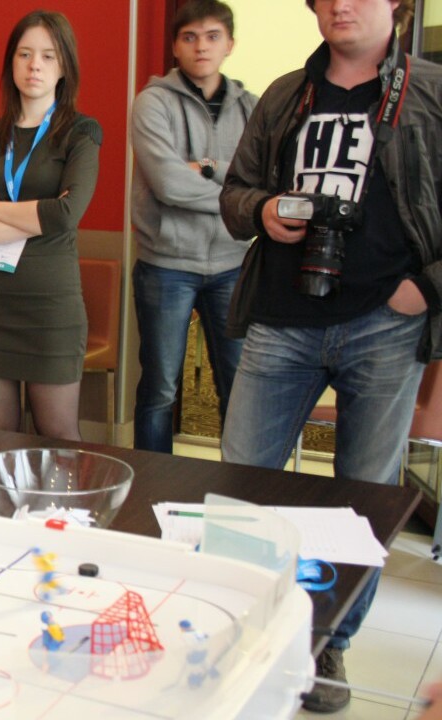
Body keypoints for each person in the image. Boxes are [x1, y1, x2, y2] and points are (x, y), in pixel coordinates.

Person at [219, 0, 435, 712]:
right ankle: (242, 620)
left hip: (385, 324)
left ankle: (327, 640)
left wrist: (427, 288)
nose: (341, 4)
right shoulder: (286, 94)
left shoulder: (430, 94)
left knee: (363, 499)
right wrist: (261, 210)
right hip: (281, 319)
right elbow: (235, 193)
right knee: (240, 484)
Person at [0, 10, 102, 440]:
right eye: (25, 54)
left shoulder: (81, 133)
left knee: (58, 436)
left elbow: (67, 215)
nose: (35, 65)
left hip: (50, 305)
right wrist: (39, 218)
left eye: (49, 56)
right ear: (11, 63)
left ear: (64, 67)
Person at [130, 0, 257, 453]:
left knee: (239, 389)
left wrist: (204, 167)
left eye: (212, 36)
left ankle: (237, 488)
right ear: (175, 46)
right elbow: (168, 183)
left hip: (233, 265)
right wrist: (236, 199)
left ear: (230, 44)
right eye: (190, 37)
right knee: (160, 390)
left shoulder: (252, 107)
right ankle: (153, 486)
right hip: (166, 265)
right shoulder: (152, 102)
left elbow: (262, 181)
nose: (201, 46)